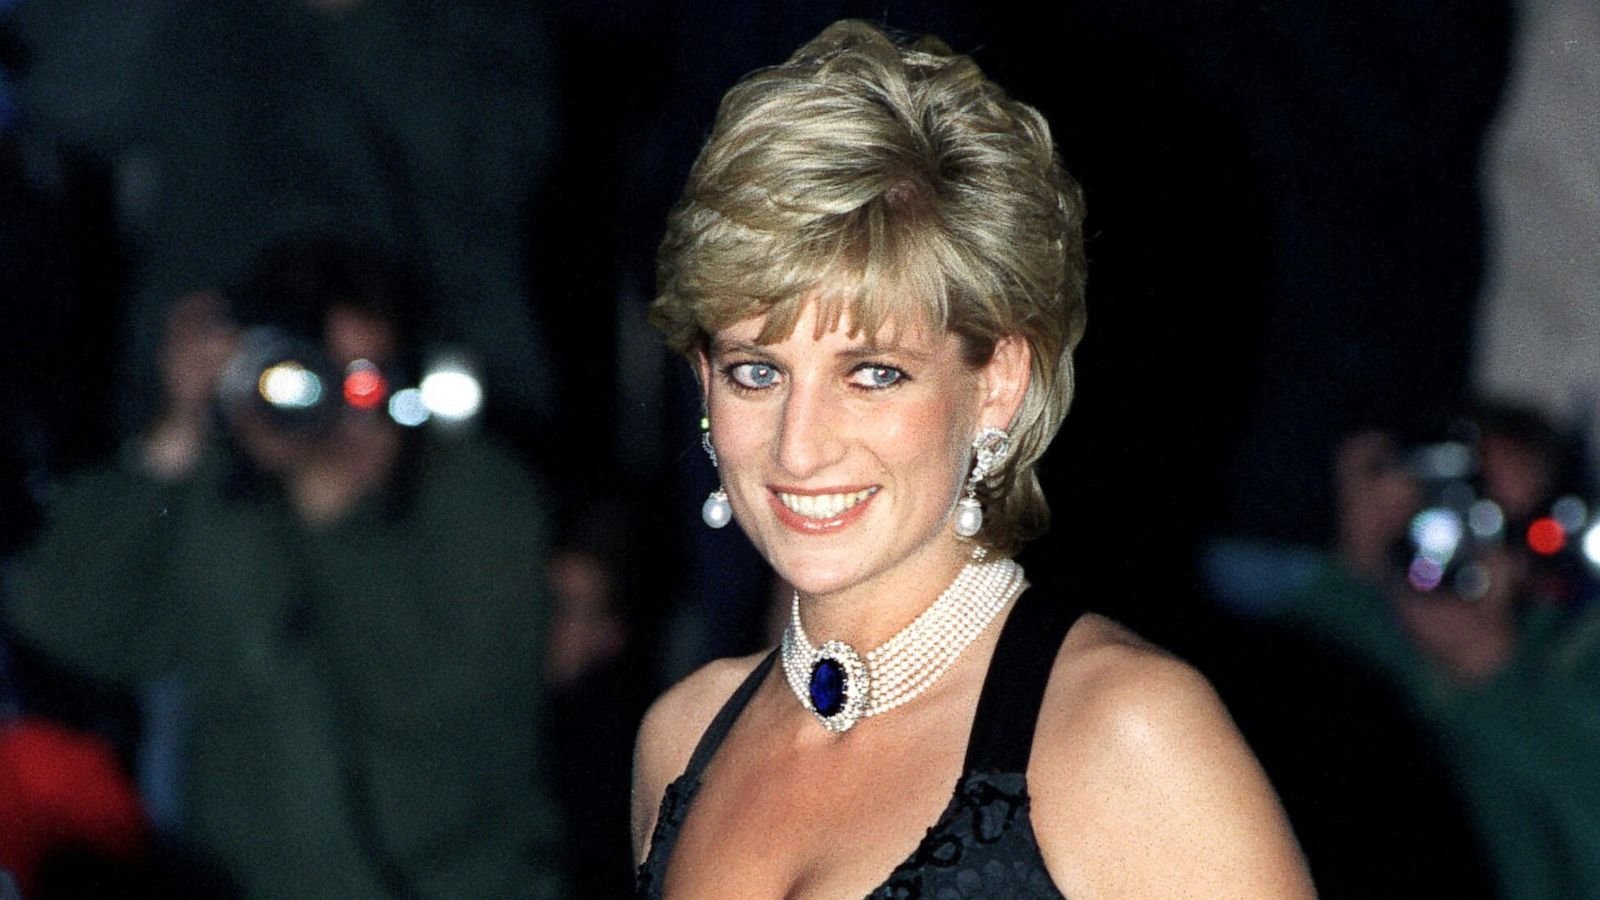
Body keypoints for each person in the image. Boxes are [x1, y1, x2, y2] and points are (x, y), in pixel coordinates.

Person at [630, 20, 1314, 898]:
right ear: (704, 381)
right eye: (757, 372)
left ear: (997, 383)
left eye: (873, 373)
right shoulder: (681, 739)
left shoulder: (1122, 734)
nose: (799, 445)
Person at [3, 233, 563, 898]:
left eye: (369, 379)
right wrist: (172, 439)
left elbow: (439, 693)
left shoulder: (478, 492)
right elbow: (63, 620)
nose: (344, 412)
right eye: (310, 374)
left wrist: (332, 522)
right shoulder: (228, 498)